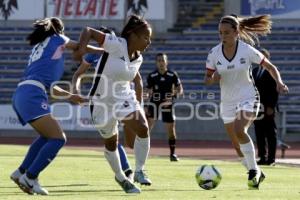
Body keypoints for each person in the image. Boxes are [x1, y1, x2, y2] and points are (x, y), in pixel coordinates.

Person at [9, 17, 93, 195]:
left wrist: (71, 96)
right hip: (31, 94)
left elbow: (53, 88)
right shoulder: (58, 39)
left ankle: (21, 172)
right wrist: (104, 49)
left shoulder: (41, 48)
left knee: (47, 137)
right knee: (58, 138)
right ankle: (30, 177)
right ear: (60, 31)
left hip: (23, 93)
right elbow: (79, 47)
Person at [204, 14, 289, 189]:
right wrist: (213, 78)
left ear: (236, 32)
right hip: (227, 101)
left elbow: (271, 67)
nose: (223, 36)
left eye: (226, 33)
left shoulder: (246, 50)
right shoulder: (214, 53)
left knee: (239, 129)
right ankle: (256, 170)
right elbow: (207, 79)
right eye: (220, 33)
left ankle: (252, 172)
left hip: (248, 97)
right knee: (237, 146)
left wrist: (279, 82)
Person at [73, 15, 152, 194]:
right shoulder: (116, 44)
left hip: (124, 97)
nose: (149, 42)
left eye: (150, 38)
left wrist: (138, 105)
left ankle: (139, 170)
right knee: (111, 143)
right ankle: (120, 177)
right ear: (133, 35)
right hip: (101, 102)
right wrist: (82, 48)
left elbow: (137, 81)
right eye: (146, 37)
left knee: (143, 127)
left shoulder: (138, 59)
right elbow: (88, 31)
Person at [71, 27, 135, 179]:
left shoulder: (122, 50)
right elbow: (78, 74)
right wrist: (76, 90)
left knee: (133, 131)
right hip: (105, 100)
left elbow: (135, 74)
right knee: (113, 136)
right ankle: (127, 171)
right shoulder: (95, 54)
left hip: (123, 96)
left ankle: (136, 169)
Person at [144, 53, 183, 161]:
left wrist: (173, 95)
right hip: (154, 104)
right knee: (147, 129)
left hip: (167, 104)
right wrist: (146, 104)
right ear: (156, 63)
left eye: (163, 60)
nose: (161, 63)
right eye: (159, 61)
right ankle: (143, 153)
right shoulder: (152, 76)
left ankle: (173, 154)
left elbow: (180, 89)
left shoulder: (172, 75)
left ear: (167, 62)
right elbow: (147, 91)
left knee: (171, 129)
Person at [252, 48, 278, 166]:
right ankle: (262, 156)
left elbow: (275, 90)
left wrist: (271, 106)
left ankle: (271, 158)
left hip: (268, 107)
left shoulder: (272, 70)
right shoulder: (254, 71)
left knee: (270, 133)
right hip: (257, 107)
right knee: (259, 132)